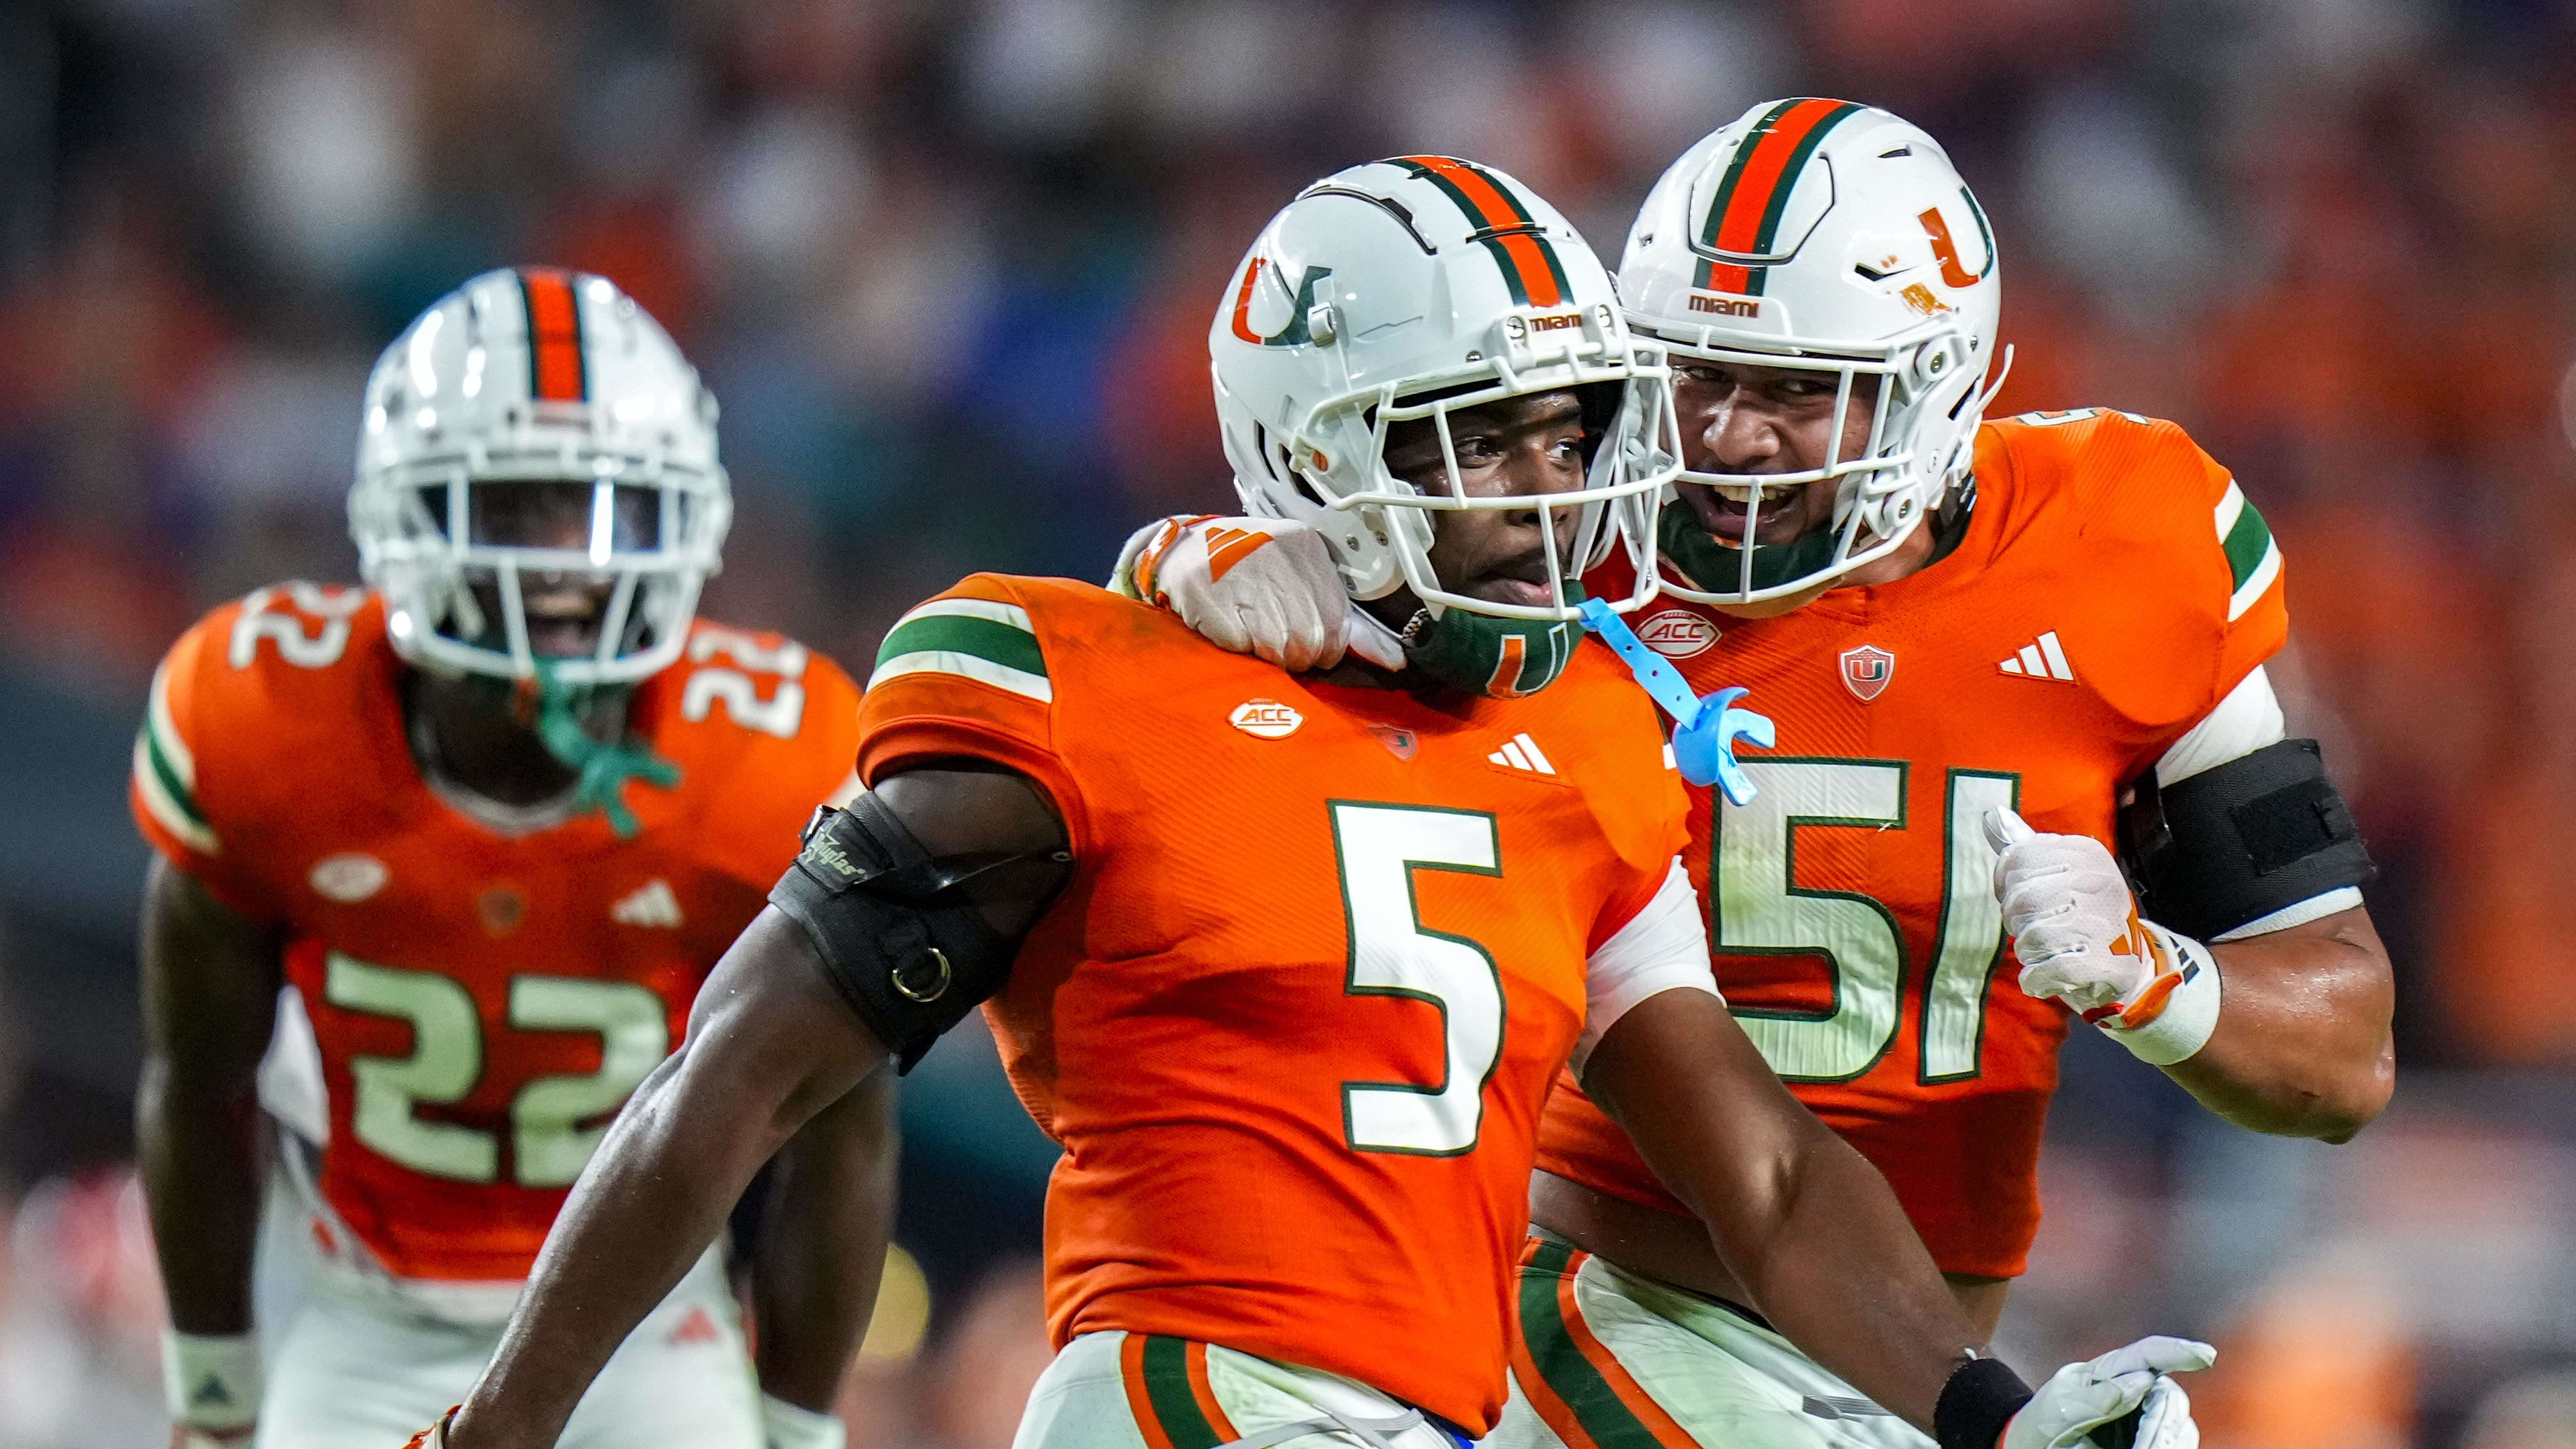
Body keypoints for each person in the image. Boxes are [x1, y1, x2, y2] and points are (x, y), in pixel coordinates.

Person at [416, 161, 2207, 1449]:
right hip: (1188, 1390)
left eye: (1572, 429)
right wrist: (505, 1422)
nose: (1550, 486)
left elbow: (1769, 1172)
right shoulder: (1090, 682)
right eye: (1481, 437)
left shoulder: (1586, 724)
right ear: (1317, 448)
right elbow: (733, 1078)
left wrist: (1990, 1410)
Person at [1124, 102, 2388, 1449]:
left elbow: (2340, 1058)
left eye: (1795, 391)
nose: (1726, 439)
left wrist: (2154, 975)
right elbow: (1303, 569)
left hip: (1907, 1338)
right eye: (1693, 377)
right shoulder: (1566, 547)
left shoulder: (2133, 539)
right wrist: (1184, 558)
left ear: (1937, 386)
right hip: (1596, 1291)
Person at [132, 268, 889, 1449]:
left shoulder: (772, 757)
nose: (572, 565)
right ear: (405, 513)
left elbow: (843, 1141)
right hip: (363, 1311)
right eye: (522, 507)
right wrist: (216, 1395)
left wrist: (799, 1433)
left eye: (610, 511)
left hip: (644, 1324)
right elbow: (197, 1080)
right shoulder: (265, 721)